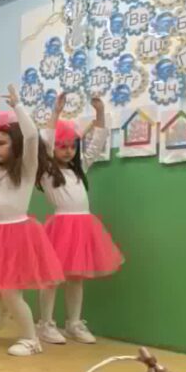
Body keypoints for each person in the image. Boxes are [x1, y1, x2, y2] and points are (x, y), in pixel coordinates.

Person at [0, 86, 64, 356]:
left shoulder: (27, 168)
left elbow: (32, 136)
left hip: (18, 234)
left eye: (2, 143)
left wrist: (18, 106)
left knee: (9, 290)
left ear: (15, 145)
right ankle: (4, 308)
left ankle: (31, 339)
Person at [36, 94, 122, 345]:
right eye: (62, 146)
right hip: (61, 229)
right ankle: (45, 324)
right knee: (52, 278)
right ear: (54, 148)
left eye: (72, 147)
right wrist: (56, 113)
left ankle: (73, 323)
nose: (68, 151)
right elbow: (45, 141)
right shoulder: (46, 172)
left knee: (76, 278)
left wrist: (100, 114)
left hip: (83, 227)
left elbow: (97, 142)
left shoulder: (79, 168)